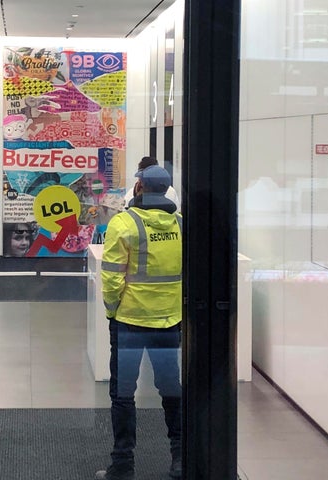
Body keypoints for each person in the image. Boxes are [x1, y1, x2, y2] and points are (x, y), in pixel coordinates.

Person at [97, 165, 183, 480]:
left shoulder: (123, 224)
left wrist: (112, 310)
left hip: (129, 323)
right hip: (169, 323)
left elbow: (111, 277)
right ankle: (180, 458)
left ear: (140, 188)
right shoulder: (181, 226)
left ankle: (123, 465)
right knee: (171, 390)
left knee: (122, 394)